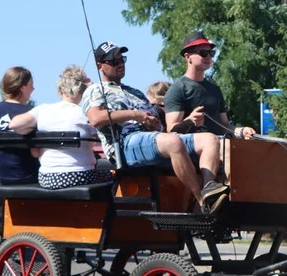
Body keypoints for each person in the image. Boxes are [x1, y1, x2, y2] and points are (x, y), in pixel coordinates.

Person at [80, 40, 229, 214]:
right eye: (114, 62)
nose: (120, 64)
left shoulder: (135, 92)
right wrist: (136, 115)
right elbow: (96, 118)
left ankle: (209, 187)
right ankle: (202, 202)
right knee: (173, 142)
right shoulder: (95, 90)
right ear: (100, 66)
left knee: (210, 139)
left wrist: (174, 121)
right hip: (124, 144)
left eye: (122, 60)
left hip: (154, 140)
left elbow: (161, 123)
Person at [9, 65, 112, 189]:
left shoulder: (42, 110)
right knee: (111, 175)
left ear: (60, 90)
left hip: (47, 178)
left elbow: (14, 124)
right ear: (83, 91)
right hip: (80, 176)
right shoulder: (85, 113)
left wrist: (34, 133)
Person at [163, 31, 256, 139]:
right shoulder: (178, 89)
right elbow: (171, 130)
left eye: (211, 53)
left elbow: (224, 125)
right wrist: (189, 122)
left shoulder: (215, 90)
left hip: (219, 145)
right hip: (192, 150)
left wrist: (241, 131)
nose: (208, 57)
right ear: (188, 57)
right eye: (203, 53)